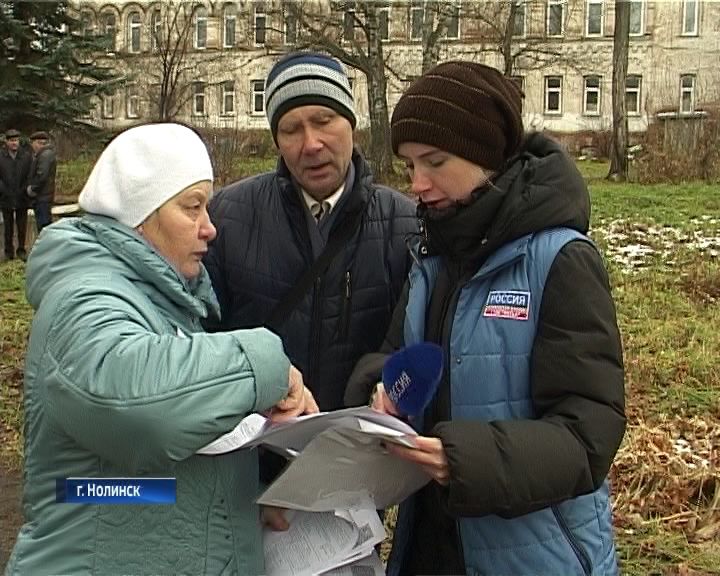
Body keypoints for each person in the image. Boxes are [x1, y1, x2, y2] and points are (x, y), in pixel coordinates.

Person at [347, 61, 626, 575]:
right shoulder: (431, 257)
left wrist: (464, 459)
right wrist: (383, 395)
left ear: (488, 157)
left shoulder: (558, 259)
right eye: (409, 166)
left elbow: (589, 435)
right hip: (427, 546)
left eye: (434, 162)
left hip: (535, 553)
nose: (418, 184)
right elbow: (395, 357)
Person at [5, 123, 318, 576]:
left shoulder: (160, 299)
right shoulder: (84, 297)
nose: (210, 228)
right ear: (140, 213)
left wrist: (234, 506)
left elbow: (119, 488)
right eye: (192, 208)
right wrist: (266, 363)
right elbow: (136, 406)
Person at [204, 51, 417, 411]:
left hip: (358, 450)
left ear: (351, 123)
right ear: (276, 140)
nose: (311, 144)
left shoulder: (406, 225)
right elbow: (202, 338)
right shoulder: (227, 215)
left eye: (324, 120)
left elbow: (416, 346)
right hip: (259, 447)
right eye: (291, 130)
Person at [0, 129, 32, 261]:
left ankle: (21, 250)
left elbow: (29, 175)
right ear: (6, 142)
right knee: (8, 226)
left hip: (21, 196)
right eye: (12, 141)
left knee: (22, 225)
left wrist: (24, 190)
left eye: (16, 140)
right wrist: (3, 189)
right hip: (5, 196)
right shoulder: (1, 156)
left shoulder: (25, 156)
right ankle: (9, 252)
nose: (14, 143)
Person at [26, 130, 57, 234]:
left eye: (33, 143)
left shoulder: (44, 155)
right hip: (44, 196)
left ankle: (47, 249)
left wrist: (32, 189)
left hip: (42, 197)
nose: (32, 146)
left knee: (44, 228)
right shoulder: (45, 154)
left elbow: (42, 176)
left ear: (37, 143)